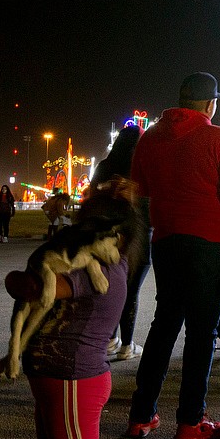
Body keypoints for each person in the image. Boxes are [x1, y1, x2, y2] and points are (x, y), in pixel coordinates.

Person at [125, 72, 220, 439]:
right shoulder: (217, 137)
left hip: (165, 241)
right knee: (201, 333)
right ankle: (190, 422)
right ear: (210, 104)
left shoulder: (150, 138)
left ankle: (141, 414)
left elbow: (142, 188)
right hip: (209, 244)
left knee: (164, 324)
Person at [4, 176, 141, 439]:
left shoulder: (94, 271)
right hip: (63, 378)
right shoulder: (117, 260)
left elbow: (29, 288)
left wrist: (19, 276)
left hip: (72, 381)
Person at [91, 125, 150, 362]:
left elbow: (91, 197)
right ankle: (127, 344)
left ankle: (109, 339)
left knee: (109, 288)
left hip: (108, 238)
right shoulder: (144, 168)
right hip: (139, 237)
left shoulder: (105, 167)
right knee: (131, 291)